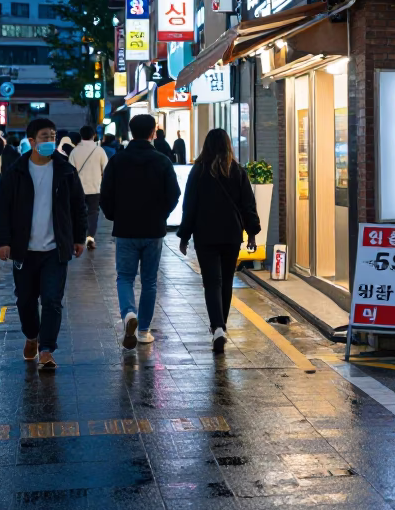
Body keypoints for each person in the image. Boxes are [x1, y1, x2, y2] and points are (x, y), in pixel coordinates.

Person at [0, 118, 87, 369]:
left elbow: (79, 206)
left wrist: (79, 237)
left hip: (55, 250)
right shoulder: (16, 172)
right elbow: (2, 209)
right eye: (45, 137)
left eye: (53, 136)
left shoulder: (66, 170)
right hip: (24, 250)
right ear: (32, 141)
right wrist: (2, 241)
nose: (50, 141)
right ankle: (32, 336)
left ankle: (47, 349)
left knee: (52, 301)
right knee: (25, 300)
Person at [100, 114, 180, 349]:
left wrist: (114, 215)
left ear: (131, 132)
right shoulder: (162, 161)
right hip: (153, 230)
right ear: (153, 133)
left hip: (125, 229)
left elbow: (106, 194)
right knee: (149, 281)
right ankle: (144, 330)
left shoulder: (117, 161)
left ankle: (128, 314)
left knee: (124, 277)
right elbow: (174, 194)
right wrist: (161, 215)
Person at [176, 129, 260, 352]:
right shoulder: (238, 171)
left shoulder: (199, 171)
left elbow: (189, 207)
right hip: (232, 234)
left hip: (205, 235)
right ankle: (221, 326)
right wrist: (251, 233)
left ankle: (217, 328)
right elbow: (248, 204)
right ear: (227, 145)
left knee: (212, 282)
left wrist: (184, 235)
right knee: (226, 281)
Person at [69, 125, 109, 250]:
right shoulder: (99, 151)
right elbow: (106, 170)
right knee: (93, 213)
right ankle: (90, 238)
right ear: (94, 135)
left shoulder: (74, 151)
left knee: (77, 213)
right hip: (94, 188)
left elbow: (70, 171)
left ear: (81, 136)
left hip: (77, 189)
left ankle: (76, 238)